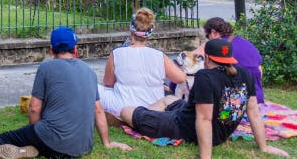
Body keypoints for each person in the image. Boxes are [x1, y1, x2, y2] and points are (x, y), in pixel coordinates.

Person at [0, 27, 131, 159]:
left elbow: (35, 108)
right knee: (48, 140)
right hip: (82, 147)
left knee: (1, 138)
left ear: (51, 50)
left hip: (51, 138)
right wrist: (107, 143)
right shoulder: (90, 72)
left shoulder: (46, 67)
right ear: (76, 50)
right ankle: (29, 150)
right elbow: (98, 111)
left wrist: (33, 133)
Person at [119, 39, 288, 158]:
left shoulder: (205, 77)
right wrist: (264, 147)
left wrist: (205, 157)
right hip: (214, 127)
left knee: (125, 111)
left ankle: (145, 119)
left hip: (183, 126)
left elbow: (204, 119)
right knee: (168, 100)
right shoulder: (244, 74)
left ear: (207, 58)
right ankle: (150, 118)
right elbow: (254, 113)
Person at [99, 8, 186, 116]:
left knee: (95, 87)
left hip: (121, 106)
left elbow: (108, 83)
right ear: (149, 35)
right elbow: (181, 78)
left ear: (131, 31)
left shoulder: (116, 53)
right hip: (154, 107)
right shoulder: (159, 56)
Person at [194, 17, 265, 104]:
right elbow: (259, 71)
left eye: (207, 37)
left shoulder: (219, 47)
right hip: (257, 97)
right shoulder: (246, 43)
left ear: (213, 33)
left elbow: (192, 61)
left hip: (235, 101)